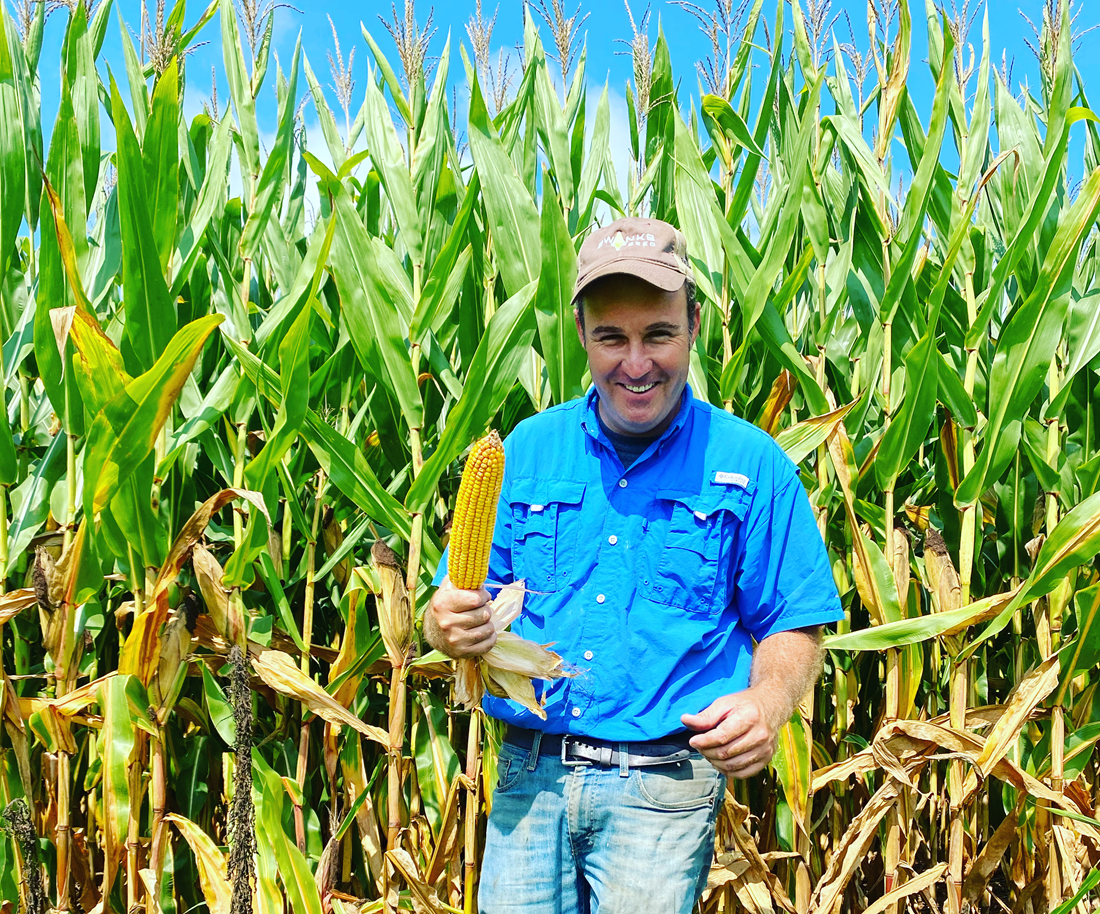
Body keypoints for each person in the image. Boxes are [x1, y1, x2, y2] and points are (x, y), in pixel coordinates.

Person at [425, 217, 843, 914]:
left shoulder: (751, 464)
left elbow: (795, 623)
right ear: (582, 334)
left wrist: (767, 705)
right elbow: (460, 604)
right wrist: (446, 625)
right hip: (530, 776)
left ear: (695, 325)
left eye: (659, 334)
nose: (637, 364)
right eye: (612, 338)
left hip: (664, 788)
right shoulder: (528, 450)